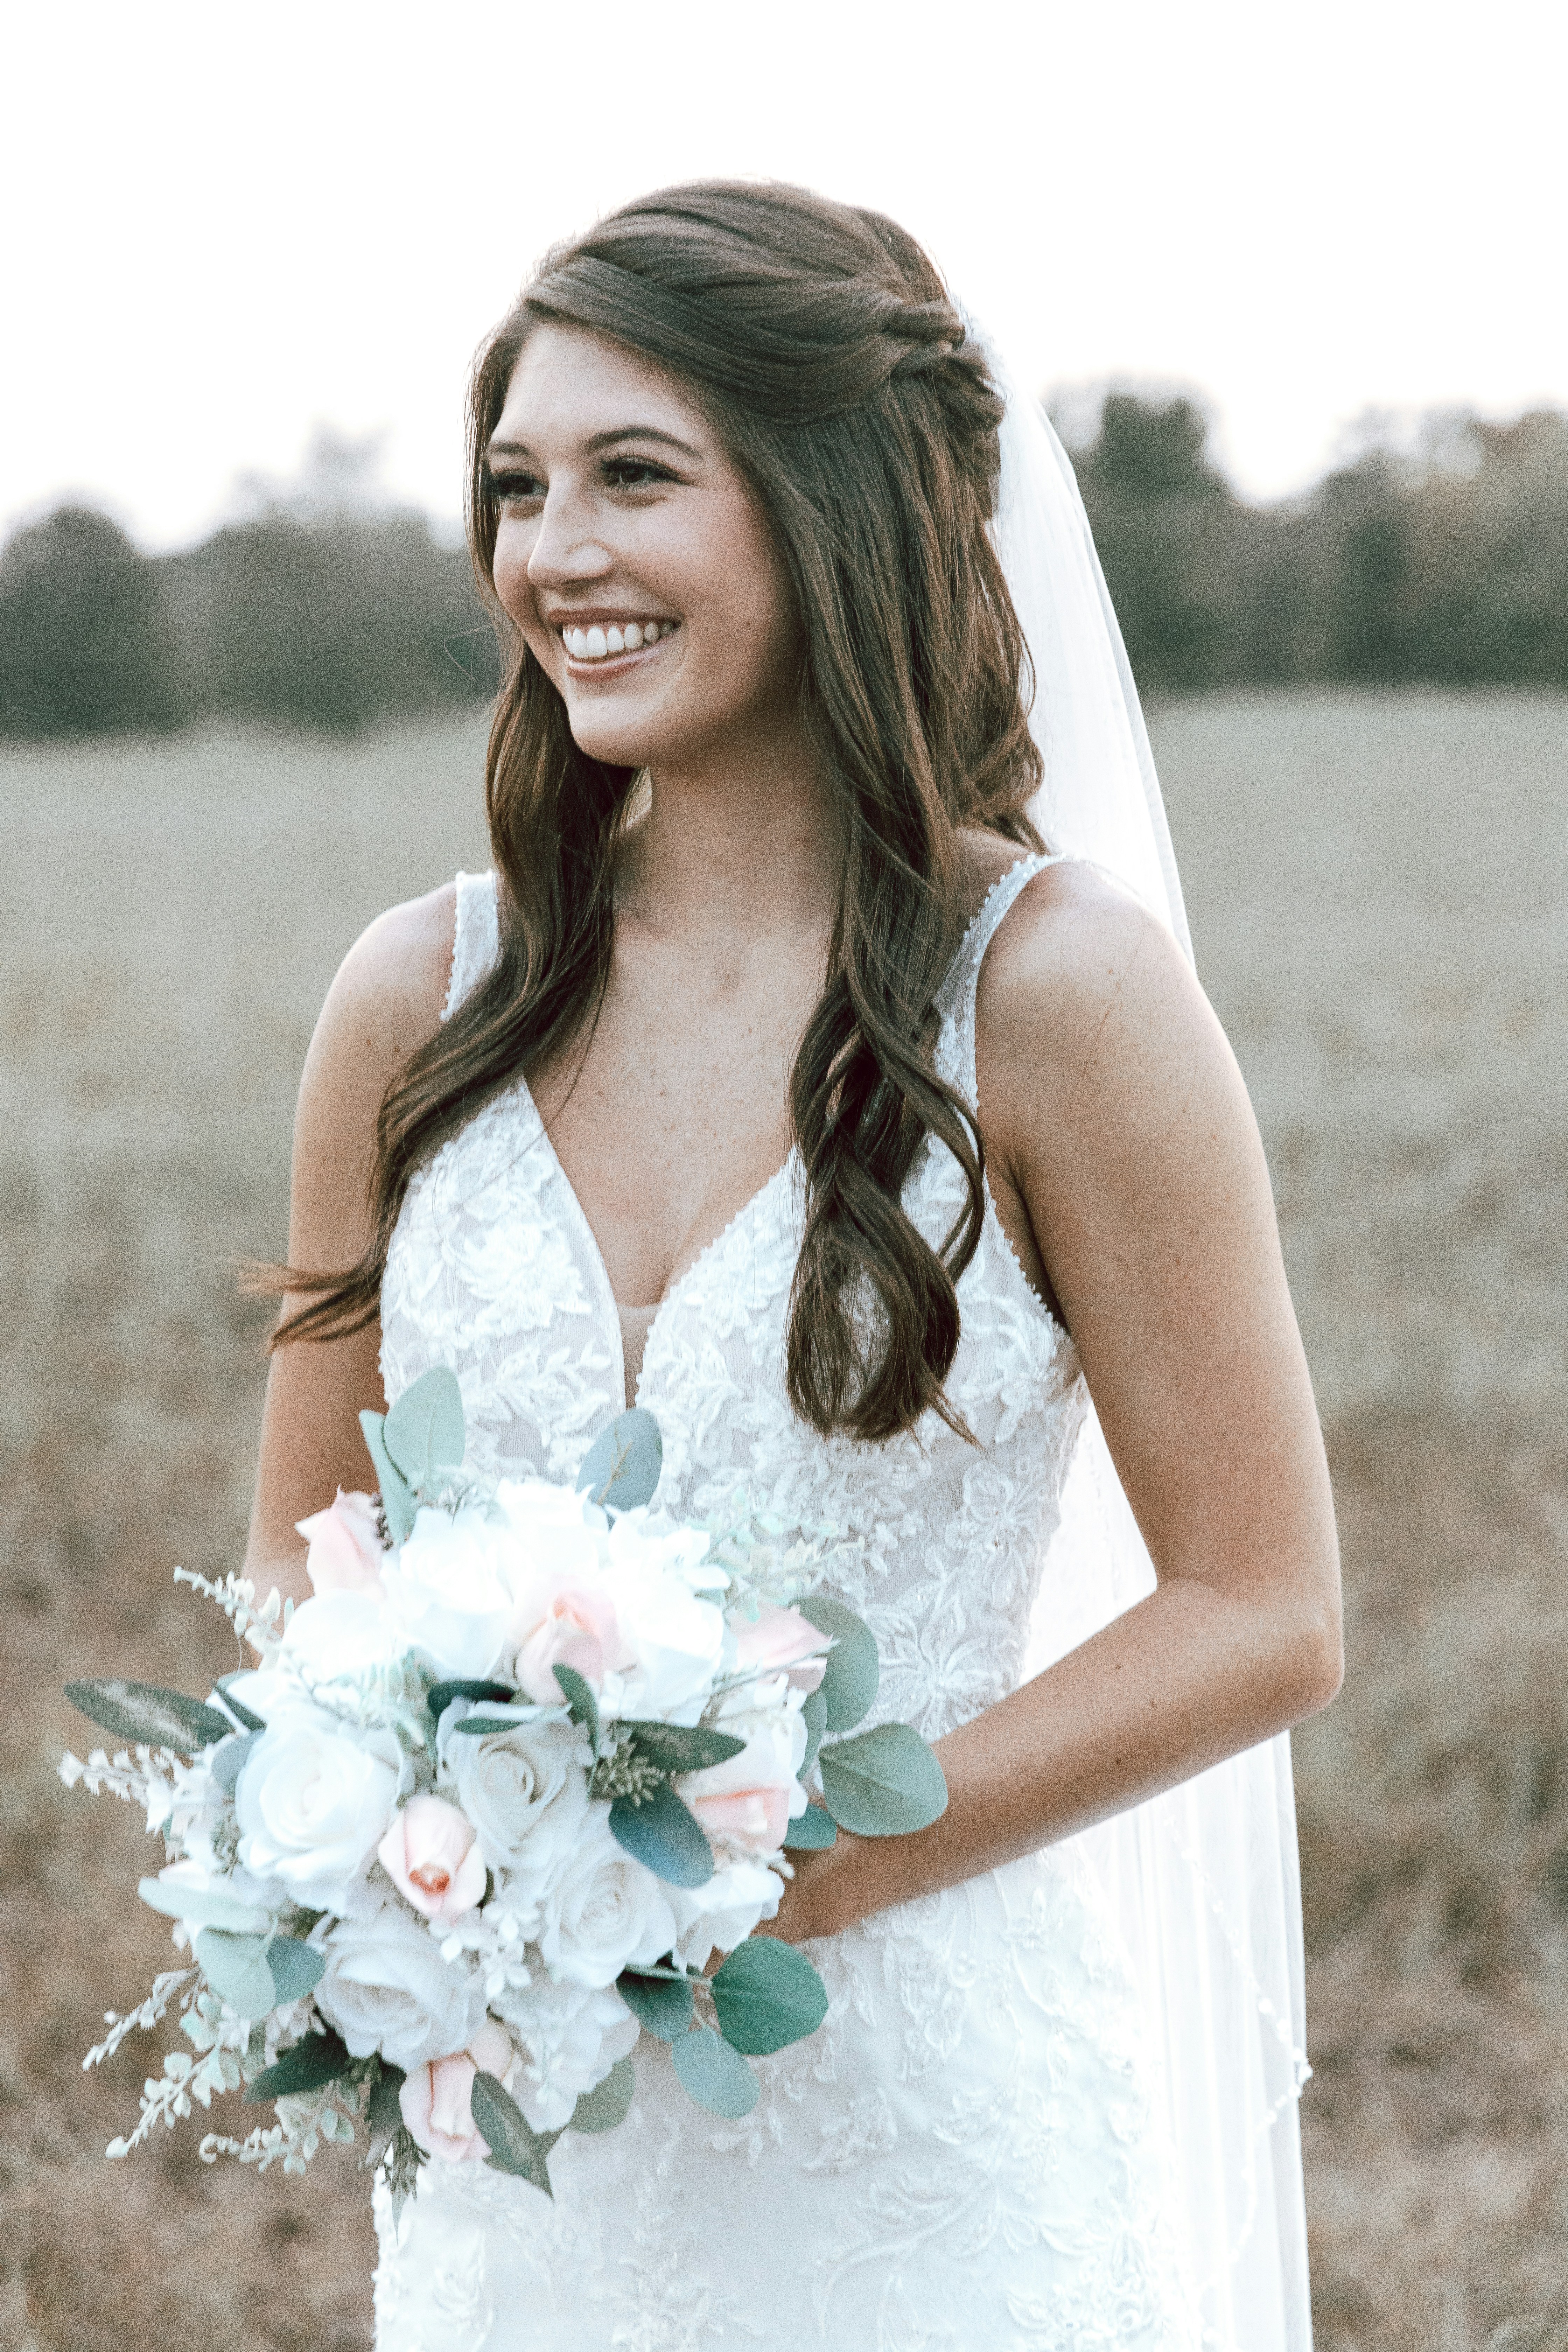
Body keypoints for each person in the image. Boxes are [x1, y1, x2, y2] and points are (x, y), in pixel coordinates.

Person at [244, 181, 1342, 2350]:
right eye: (519, 485)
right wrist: (407, 1820)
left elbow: (1264, 1610)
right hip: (526, 2161)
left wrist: (808, 1857)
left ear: (835, 505)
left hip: (924, 2154)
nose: (555, 552)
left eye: (635, 475)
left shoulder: (1057, 997)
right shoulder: (418, 997)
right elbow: (297, 1554)